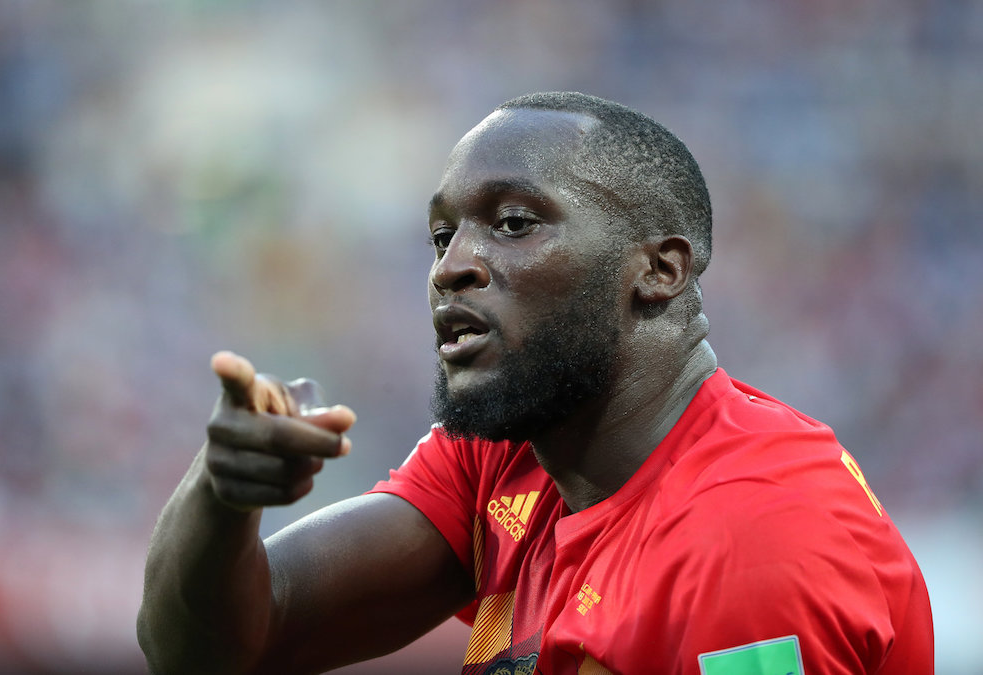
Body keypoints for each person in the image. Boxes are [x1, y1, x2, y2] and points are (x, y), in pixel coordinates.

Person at [137, 92, 933, 674]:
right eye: (441, 235)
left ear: (658, 269)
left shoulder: (751, 544)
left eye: (514, 223)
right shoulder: (509, 453)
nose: (451, 267)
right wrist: (221, 495)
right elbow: (215, 646)